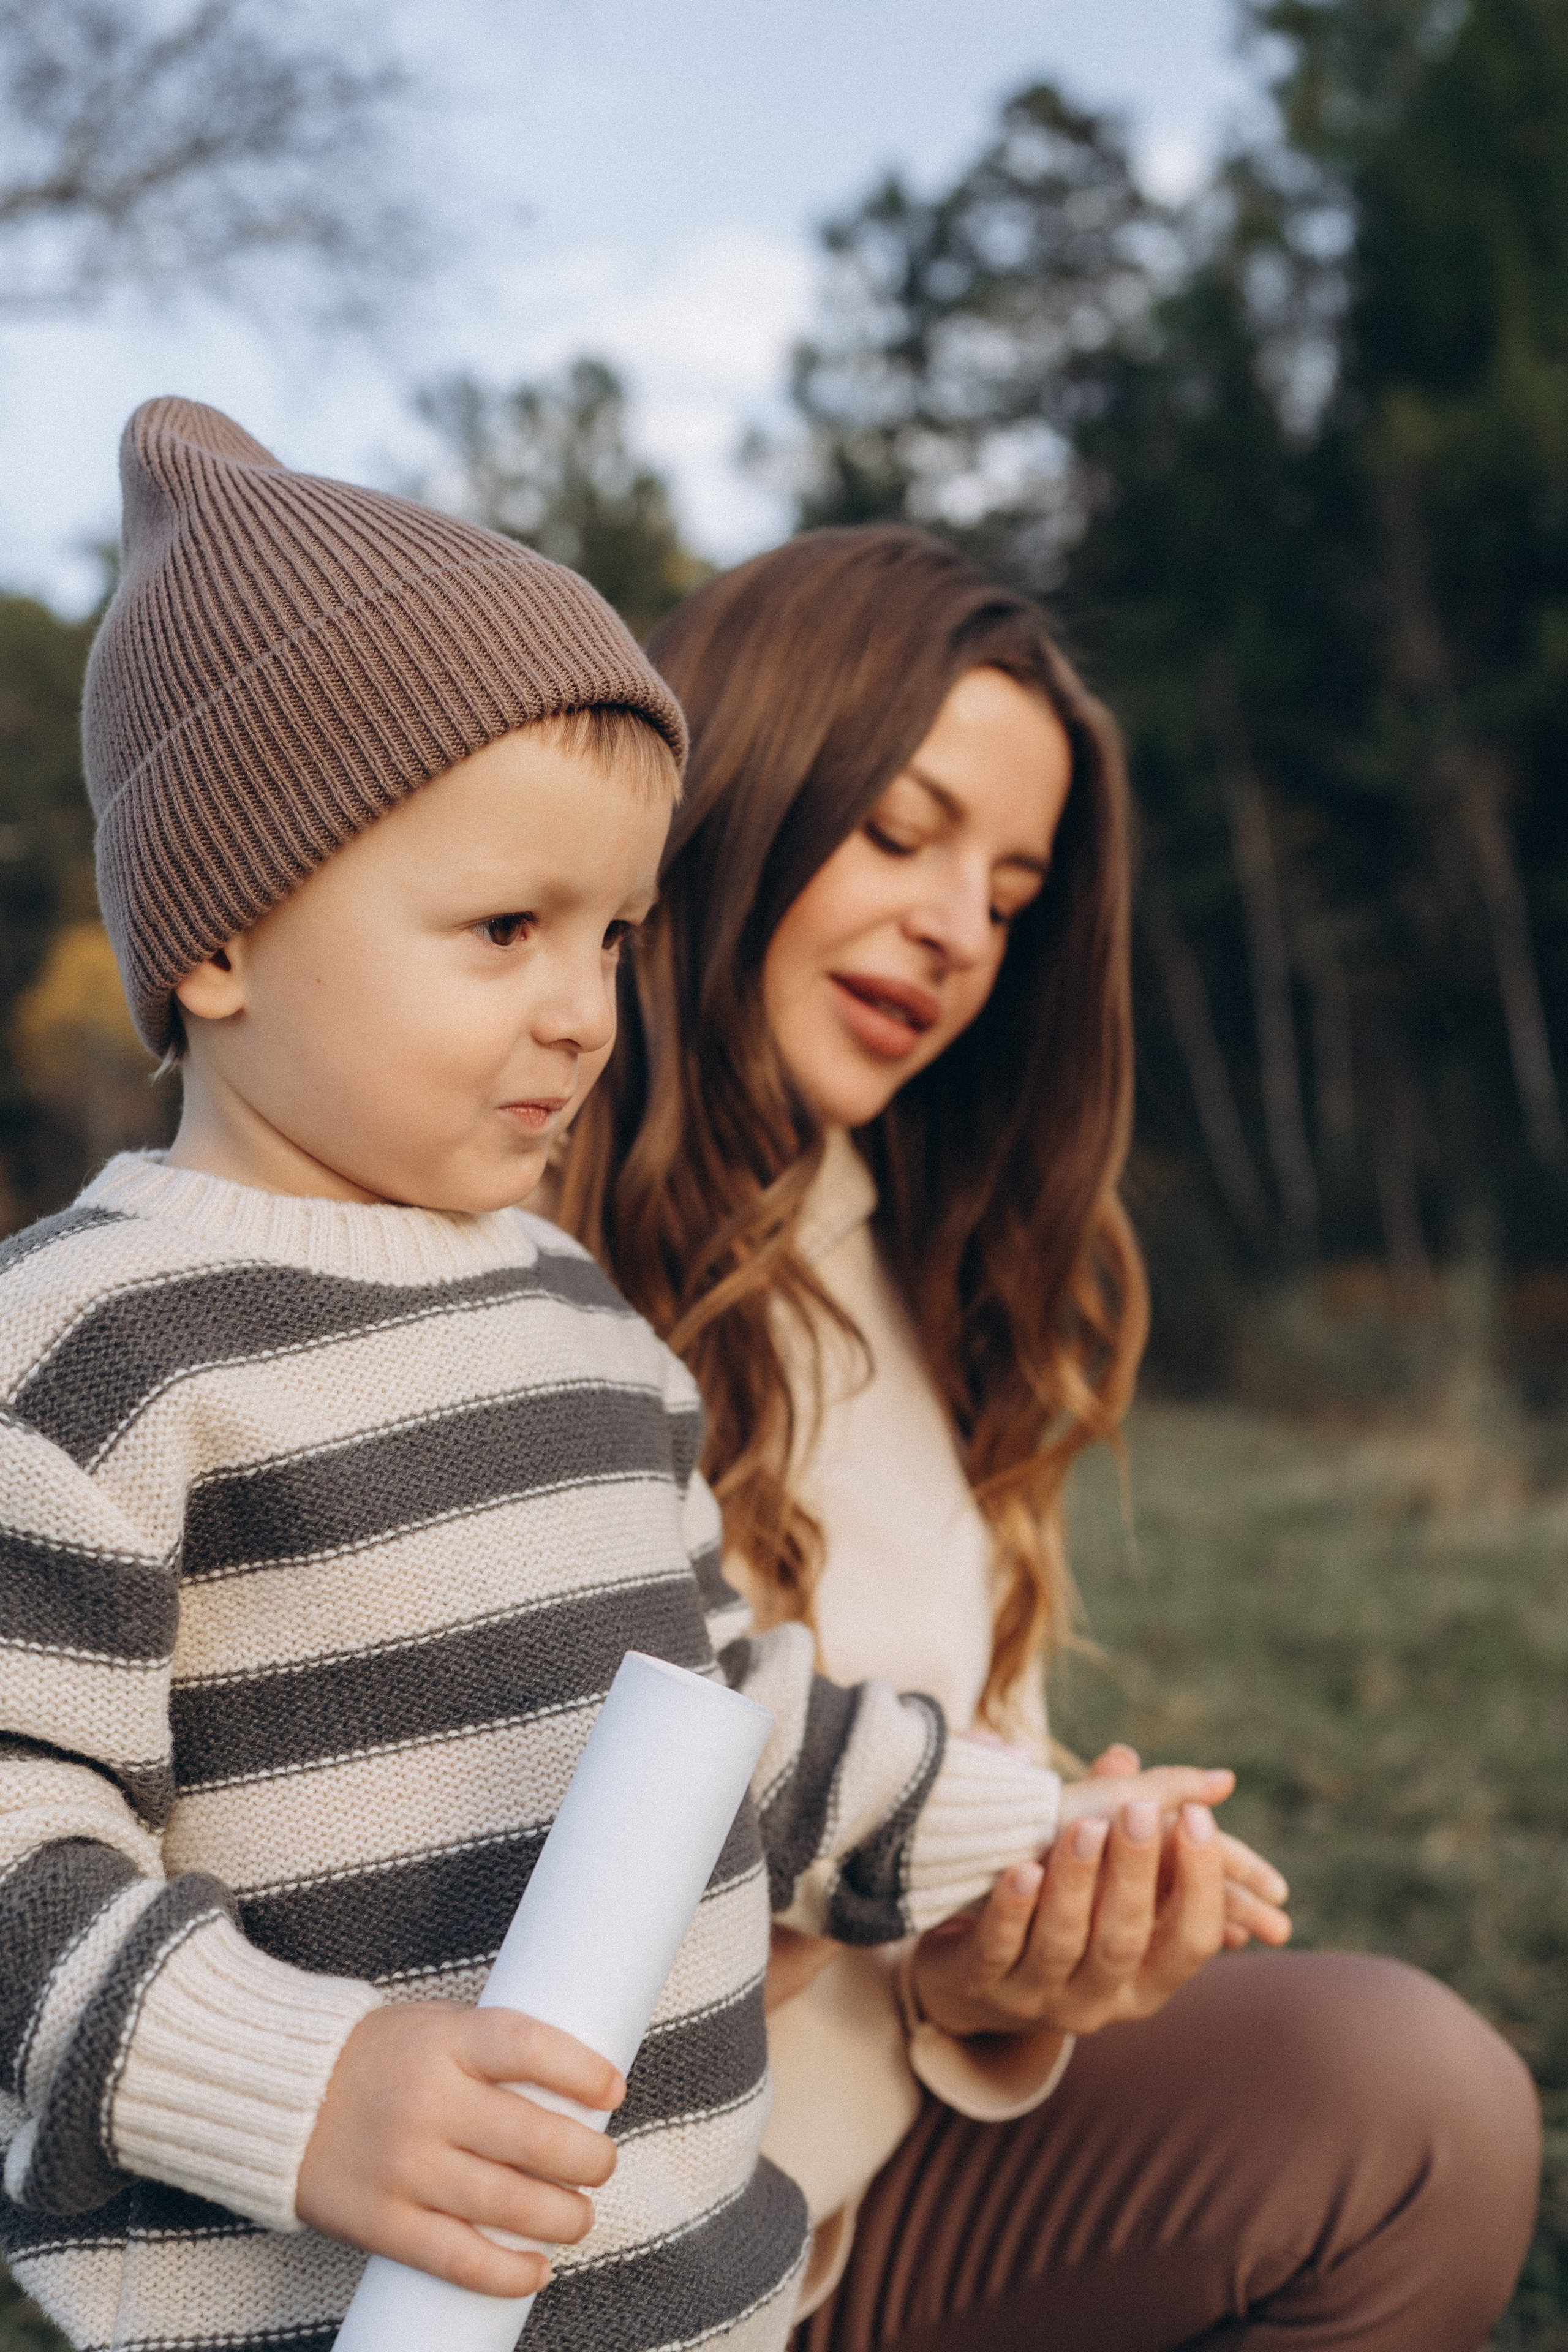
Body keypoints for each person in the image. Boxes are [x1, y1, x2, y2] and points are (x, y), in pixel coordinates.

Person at [0, 407, 1229, 2352]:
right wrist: (291, 2079)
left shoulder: (583, 1327)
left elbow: (737, 1704)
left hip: (697, 2300)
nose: (581, 1004)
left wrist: (1036, 1833)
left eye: (613, 937)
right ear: (223, 933)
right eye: (508, 931)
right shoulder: (84, 1348)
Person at [556, 524, 1543, 2351]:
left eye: (1010, 897)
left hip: (859, 2187)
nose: (954, 933)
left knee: (1414, 2103)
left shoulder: (905, 1257)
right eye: (904, 832)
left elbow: (951, 1808)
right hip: (574, 2255)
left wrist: (1007, 1961)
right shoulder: (486, 1239)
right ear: (747, 789)